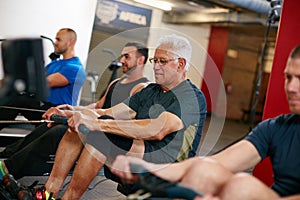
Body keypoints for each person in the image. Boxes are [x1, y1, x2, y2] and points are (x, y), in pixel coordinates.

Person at [12, 34, 207, 200]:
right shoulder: (151, 91)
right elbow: (107, 112)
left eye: (162, 61)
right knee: (79, 126)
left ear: (181, 64)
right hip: (140, 149)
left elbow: (156, 130)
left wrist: (96, 124)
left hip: (166, 164)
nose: (156, 67)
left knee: (99, 132)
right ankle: (49, 193)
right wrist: (72, 113)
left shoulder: (190, 96)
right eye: (154, 61)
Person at [111, 45, 300, 200]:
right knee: (203, 170)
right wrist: (148, 170)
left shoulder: (190, 96)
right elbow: (216, 162)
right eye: (288, 77)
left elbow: (157, 129)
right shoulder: (276, 127)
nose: (291, 87)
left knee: (242, 186)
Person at [0, 41, 150, 181]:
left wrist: (75, 115)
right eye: (122, 55)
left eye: (127, 56)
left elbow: (113, 114)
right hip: (93, 123)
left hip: (109, 135)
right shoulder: (116, 82)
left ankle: (9, 170)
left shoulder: (142, 88)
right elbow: (98, 106)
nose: (122, 60)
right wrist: (72, 109)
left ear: (140, 60)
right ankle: (7, 156)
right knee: (49, 124)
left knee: (59, 131)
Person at [0, 28, 86, 130]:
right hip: (43, 106)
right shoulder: (54, 64)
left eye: (59, 40)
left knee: (18, 99)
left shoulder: (75, 68)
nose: (55, 43)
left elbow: (44, 82)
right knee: (14, 96)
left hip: (57, 111)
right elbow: (32, 78)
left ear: (70, 42)